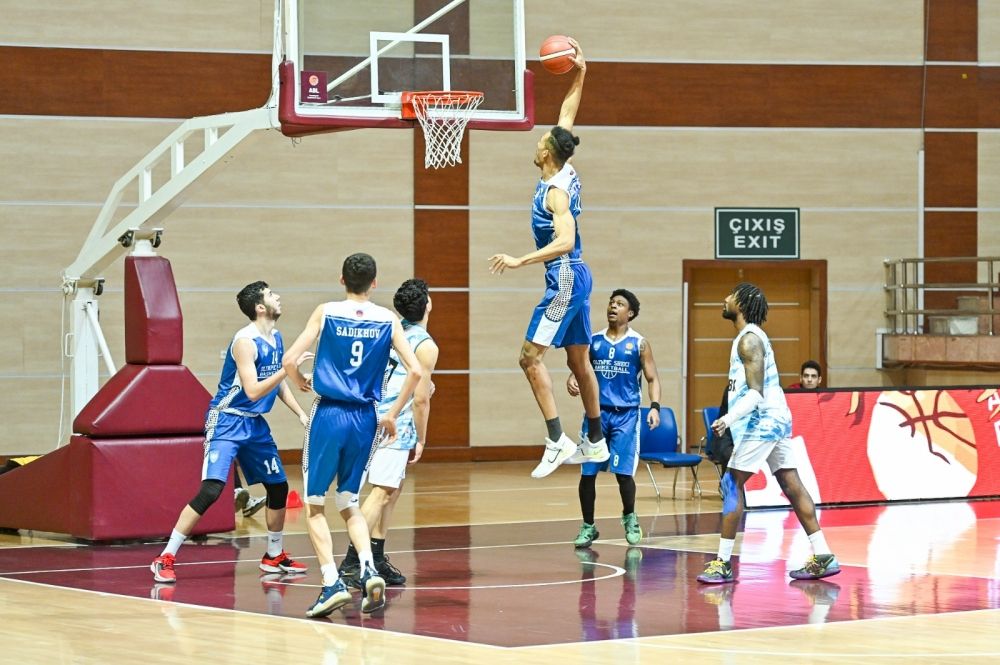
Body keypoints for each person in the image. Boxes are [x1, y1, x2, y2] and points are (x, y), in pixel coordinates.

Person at [488, 38, 609, 479]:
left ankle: (557, 438)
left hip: (564, 277)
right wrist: (581, 71)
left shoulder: (555, 190)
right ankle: (595, 441)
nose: (539, 139)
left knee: (528, 357)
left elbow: (565, 240)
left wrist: (521, 259)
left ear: (545, 154)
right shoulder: (563, 165)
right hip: (578, 277)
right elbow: (567, 114)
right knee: (579, 362)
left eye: (540, 140)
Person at [282, 253, 423, 618]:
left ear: (341, 279)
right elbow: (416, 372)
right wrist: (391, 414)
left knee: (314, 504)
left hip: (330, 413)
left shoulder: (326, 311)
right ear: (374, 283)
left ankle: (331, 583)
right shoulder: (388, 320)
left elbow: (288, 361)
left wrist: (300, 381)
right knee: (349, 502)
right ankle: (369, 570)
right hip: (366, 418)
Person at [151, 282, 310, 584]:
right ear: (260, 307)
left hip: (255, 425)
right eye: (271, 294)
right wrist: (287, 368)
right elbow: (252, 390)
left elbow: (276, 383)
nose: (278, 296)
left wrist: (301, 413)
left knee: (277, 487)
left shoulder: (275, 337)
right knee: (211, 490)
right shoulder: (245, 342)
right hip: (227, 420)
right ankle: (166, 557)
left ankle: (273, 555)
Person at [697, 283, 840, 584]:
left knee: (731, 482)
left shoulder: (749, 340)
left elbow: (756, 394)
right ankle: (823, 554)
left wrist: (727, 418)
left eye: (731, 295)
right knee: (791, 483)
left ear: (743, 304)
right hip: (776, 420)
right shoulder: (748, 338)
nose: (725, 298)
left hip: (760, 422)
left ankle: (722, 562)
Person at [338, 278, 439, 587]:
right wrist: (422, 438)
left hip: (367, 415)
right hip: (394, 423)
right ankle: (353, 562)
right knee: (381, 491)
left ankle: (377, 555)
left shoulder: (388, 332)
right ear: (427, 305)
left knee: (392, 488)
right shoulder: (425, 345)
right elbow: (421, 399)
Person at [566, 289, 661, 548]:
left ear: (630, 313)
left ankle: (629, 517)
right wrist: (573, 379)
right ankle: (588, 526)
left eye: (619, 304)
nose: (613, 307)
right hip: (597, 415)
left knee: (623, 474)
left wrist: (654, 406)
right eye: (611, 303)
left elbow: (652, 378)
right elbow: (580, 369)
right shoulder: (594, 340)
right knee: (588, 473)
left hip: (626, 416)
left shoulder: (639, 343)